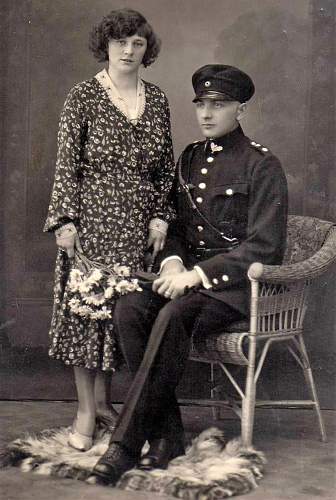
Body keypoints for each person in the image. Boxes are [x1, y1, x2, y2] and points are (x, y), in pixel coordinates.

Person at [90, 64, 288, 483]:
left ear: (241, 109)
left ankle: (125, 445)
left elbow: (264, 245)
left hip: (231, 288)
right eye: (201, 103)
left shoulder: (261, 164)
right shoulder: (191, 158)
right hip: (188, 278)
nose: (207, 113)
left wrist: (196, 277)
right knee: (128, 308)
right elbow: (178, 229)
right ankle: (166, 438)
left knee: (173, 314)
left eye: (219, 105)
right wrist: (173, 262)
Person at [44, 8, 175, 451]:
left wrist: (160, 216)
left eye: (137, 42)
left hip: (137, 228)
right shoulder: (82, 96)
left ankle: (105, 405)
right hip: (92, 222)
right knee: (87, 316)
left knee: (120, 319)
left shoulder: (156, 100)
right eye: (120, 41)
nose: (128, 50)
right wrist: (64, 221)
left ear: (146, 48)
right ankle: (85, 410)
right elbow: (66, 164)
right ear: (106, 45)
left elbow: (164, 170)